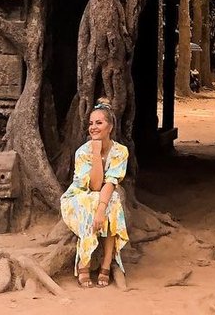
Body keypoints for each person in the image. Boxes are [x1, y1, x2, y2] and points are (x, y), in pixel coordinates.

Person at [60, 99, 129, 288]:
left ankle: (106, 264)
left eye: (99, 123)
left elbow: (110, 183)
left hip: (102, 197)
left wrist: (101, 209)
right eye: (91, 123)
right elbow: (95, 185)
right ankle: (84, 262)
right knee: (91, 201)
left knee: (113, 200)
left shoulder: (120, 152)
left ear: (110, 127)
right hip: (78, 196)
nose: (93, 127)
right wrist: (96, 153)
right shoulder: (83, 152)